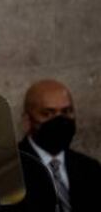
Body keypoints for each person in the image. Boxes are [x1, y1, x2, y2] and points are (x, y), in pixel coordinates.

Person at [18, 79, 101, 212]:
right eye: (47, 113)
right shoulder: (10, 170)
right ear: (28, 120)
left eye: (66, 111)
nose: (59, 120)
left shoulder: (90, 168)